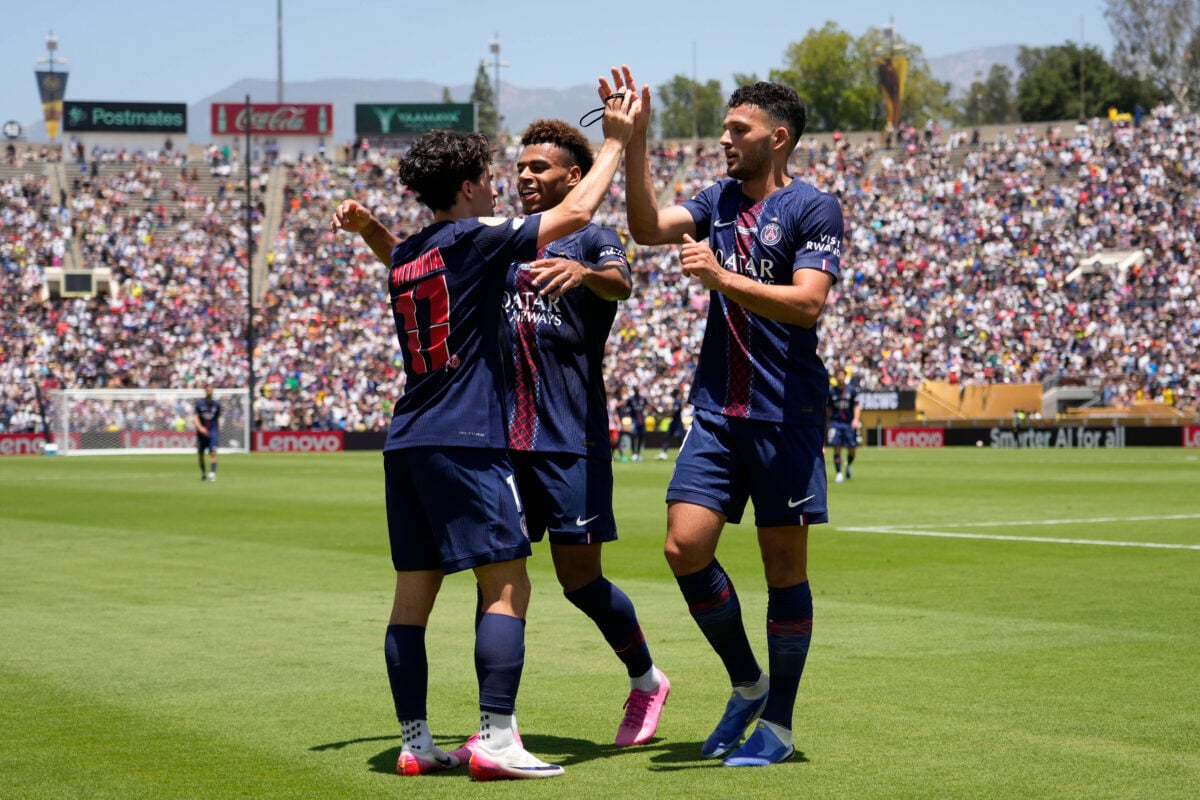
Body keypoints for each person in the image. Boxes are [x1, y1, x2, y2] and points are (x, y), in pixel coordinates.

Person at [330, 84, 638, 781]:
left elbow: (404, 252)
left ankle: (415, 742)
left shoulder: (409, 256)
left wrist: (373, 231)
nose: (503, 188)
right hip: (466, 437)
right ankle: (497, 740)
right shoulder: (476, 240)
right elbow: (580, 209)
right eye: (492, 179)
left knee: (412, 597)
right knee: (506, 588)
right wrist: (616, 138)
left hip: (405, 437)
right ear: (468, 186)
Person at [613, 65, 844, 767]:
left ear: (778, 138)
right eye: (724, 128)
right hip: (718, 407)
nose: (723, 139)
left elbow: (807, 303)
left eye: (737, 130)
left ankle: (778, 724)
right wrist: (634, 142)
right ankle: (747, 683)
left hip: (786, 413)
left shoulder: (814, 207)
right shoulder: (715, 200)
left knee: (782, 572)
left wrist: (722, 280)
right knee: (684, 546)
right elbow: (648, 225)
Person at [467, 118, 669, 753]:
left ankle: (646, 680)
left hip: (570, 439)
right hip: (500, 442)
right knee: (497, 579)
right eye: (520, 168)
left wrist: (582, 275)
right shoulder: (499, 241)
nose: (524, 176)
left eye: (539, 168)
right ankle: (497, 723)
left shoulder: (592, 239)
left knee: (580, 580)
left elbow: (623, 283)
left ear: (574, 178)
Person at [827, 367, 861, 483]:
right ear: (836, 377)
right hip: (836, 423)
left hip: (848, 423)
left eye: (842, 375)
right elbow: (829, 408)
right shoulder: (831, 391)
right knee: (836, 447)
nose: (840, 377)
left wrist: (856, 419)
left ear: (845, 376)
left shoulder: (851, 390)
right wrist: (828, 422)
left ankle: (848, 464)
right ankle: (839, 473)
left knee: (852, 449)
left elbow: (856, 406)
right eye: (838, 375)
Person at [193, 383, 220, 481]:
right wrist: (200, 427)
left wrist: (216, 431)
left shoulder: (217, 405)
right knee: (201, 454)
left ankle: (212, 473)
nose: (209, 391)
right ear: (205, 391)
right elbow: (195, 417)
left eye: (211, 390)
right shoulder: (199, 404)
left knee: (213, 451)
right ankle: (204, 473)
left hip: (212, 431)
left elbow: (217, 418)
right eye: (208, 390)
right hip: (201, 432)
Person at [618, 387, 648, 461]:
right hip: (634, 420)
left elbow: (647, 405)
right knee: (633, 436)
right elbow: (625, 408)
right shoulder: (631, 399)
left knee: (641, 436)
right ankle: (634, 453)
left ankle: (638, 453)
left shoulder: (643, 399)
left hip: (642, 420)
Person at [657, 389, 686, 460]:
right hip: (674, 422)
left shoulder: (677, 401)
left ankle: (683, 454)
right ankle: (664, 453)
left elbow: (674, 412)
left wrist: (664, 415)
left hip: (677, 422)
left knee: (678, 438)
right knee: (668, 437)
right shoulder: (676, 401)